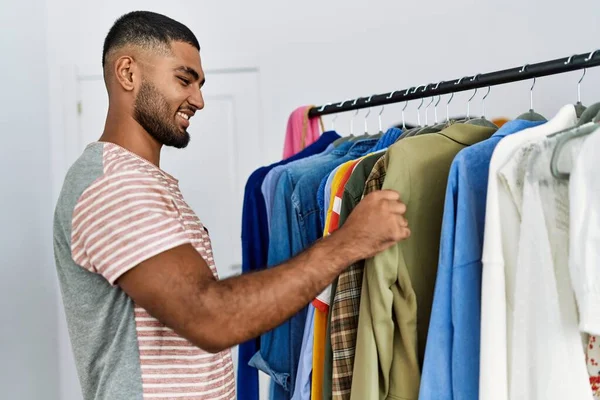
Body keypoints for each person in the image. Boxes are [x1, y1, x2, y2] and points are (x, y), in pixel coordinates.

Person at [53, 10, 410, 400]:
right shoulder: (115, 186)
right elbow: (211, 316)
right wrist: (349, 241)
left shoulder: (140, 181)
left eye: (200, 84)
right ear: (128, 73)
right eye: (184, 79)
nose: (199, 100)